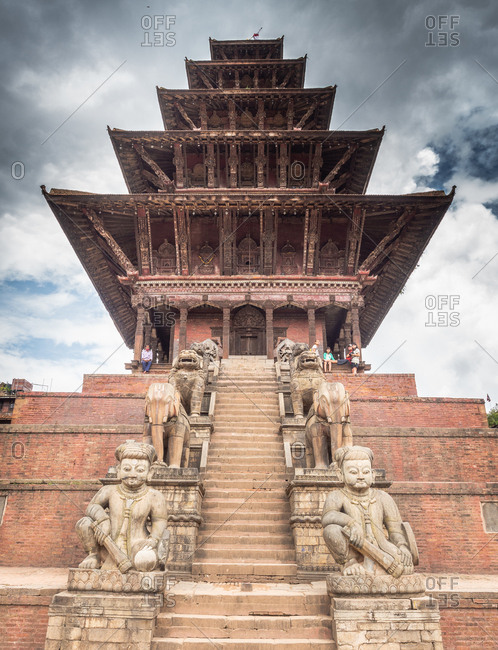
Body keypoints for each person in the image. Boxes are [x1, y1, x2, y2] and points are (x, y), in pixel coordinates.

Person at [76, 441, 168, 572]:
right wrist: (103, 520)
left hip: (138, 546)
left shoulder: (154, 496)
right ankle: (94, 555)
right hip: (107, 544)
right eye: (126, 469)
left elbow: (159, 520)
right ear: (118, 471)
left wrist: (153, 539)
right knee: (84, 523)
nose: (132, 474)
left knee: (145, 561)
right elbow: (92, 506)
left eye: (140, 470)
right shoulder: (109, 490)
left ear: (150, 472)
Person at [322, 446, 414, 576]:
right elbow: (327, 516)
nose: (360, 476)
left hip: (382, 548)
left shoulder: (383, 497)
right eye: (353, 472)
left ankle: (374, 567)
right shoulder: (337, 496)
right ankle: (351, 563)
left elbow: (395, 529)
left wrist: (402, 546)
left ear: (373, 474)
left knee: (406, 567)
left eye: (365, 472)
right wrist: (351, 523)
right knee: (331, 530)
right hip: (355, 548)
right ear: (340, 475)